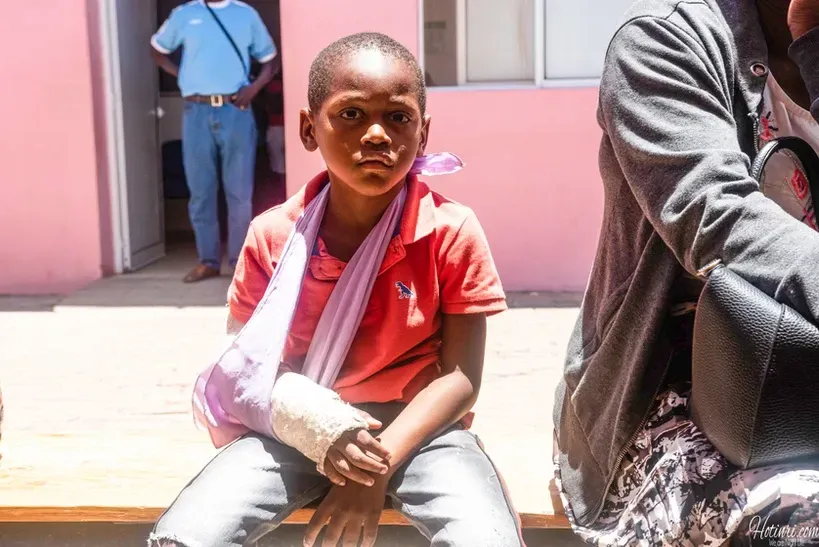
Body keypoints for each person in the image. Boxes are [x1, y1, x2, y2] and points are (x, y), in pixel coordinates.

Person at [148, 32, 524, 547]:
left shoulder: (448, 231)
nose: (375, 133)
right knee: (185, 535)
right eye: (350, 114)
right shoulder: (274, 235)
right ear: (308, 129)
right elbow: (249, 366)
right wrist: (327, 432)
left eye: (397, 117)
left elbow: (460, 380)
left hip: (420, 435)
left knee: (487, 538)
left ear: (423, 133)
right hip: (301, 431)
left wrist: (374, 467)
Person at [553, 0, 819, 545]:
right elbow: (718, 218)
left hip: (807, 375)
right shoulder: (660, 46)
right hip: (678, 388)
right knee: (798, 519)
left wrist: (814, 50)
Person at [151, 0, 280, 283]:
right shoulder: (185, 15)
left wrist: (253, 88)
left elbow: (270, 59)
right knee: (200, 192)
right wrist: (182, 74)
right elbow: (157, 50)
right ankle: (207, 261)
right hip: (196, 110)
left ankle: (239, 264)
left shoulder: (245, 15)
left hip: (236, 110)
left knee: (239, 193)